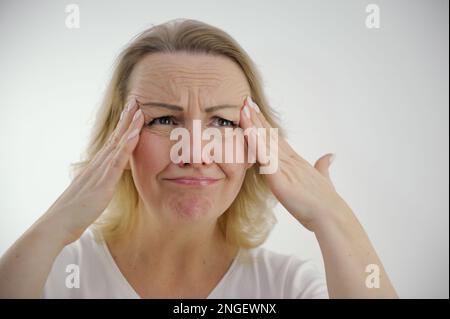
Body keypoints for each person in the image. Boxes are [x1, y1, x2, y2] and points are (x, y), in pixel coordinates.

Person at [0, 18, 398, 298]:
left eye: (223, 123)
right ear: (116, 141)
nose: (194, 151)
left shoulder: (287, 286)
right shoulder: (50, 275)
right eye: (165, 118)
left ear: (255, 145)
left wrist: (334, 218)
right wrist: (57, 223)